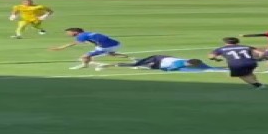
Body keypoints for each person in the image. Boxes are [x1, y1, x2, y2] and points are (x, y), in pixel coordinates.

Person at [50, 28, 131, 70]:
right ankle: (132, 58)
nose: (68, 34)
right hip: (115, 43)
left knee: (84, 57)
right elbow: (100, 38)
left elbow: (73, 44)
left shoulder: (81, 36)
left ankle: (85, 65)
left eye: (69, 32)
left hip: (106, 47)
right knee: (111, 54)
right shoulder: (87, 34)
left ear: (75, 32)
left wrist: (60, 48)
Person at [95, 55, 224, 72]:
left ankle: (138, 61)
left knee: (142, 66)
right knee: (136, 66)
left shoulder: (191, 62)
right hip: (158, 59)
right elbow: (168, 69)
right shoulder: (179, 64)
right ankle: (107, 65)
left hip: (163, 59)